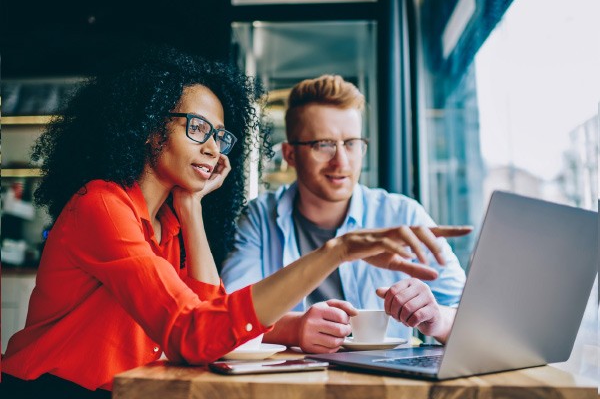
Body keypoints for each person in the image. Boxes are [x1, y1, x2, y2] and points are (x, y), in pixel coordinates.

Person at [0, 48, 468, 397]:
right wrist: (336, 251)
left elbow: (210, 321)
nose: (213, 149)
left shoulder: (168, 222)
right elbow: (194, 334)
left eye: (220, 136)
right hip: (48, 389)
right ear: (147, 126)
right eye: (197, 128)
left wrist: (192, 207)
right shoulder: (102, 206)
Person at [221, 75, 470, 354]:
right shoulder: (259, 217)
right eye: (323, 145)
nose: (341, 161)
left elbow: (472, 316)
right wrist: (295, 328)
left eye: (351, 143)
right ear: (290, 154)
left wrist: (436, 319)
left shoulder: (403, 214)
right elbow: (228, 316)